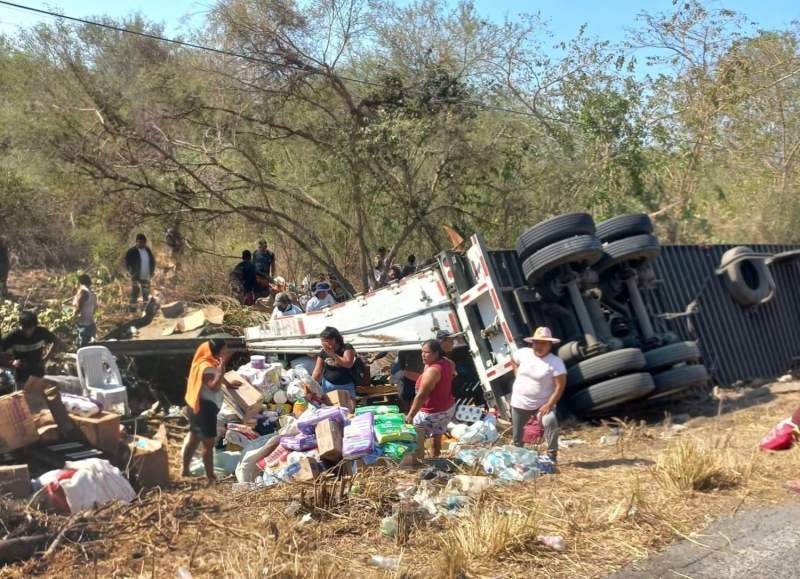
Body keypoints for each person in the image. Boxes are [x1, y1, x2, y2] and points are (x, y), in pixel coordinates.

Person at [181, 339, 240, 484]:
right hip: (205, 409)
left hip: (196, 406)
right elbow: (213, 386)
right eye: (224, 350)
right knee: (208, 444)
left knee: (194, 439)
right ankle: (211, 478)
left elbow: (216, 377)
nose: (226, 352)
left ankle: (185, 470)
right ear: (215, 351)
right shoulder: (206, 367)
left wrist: (227, 383)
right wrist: (221, 372)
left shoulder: (207, 362)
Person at [509, 327, 566, 462]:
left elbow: (560, 386)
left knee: (550, 420)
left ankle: (552, 454)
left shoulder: (555, 362)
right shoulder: (523, 353)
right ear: (532, 343)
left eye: (543, 343)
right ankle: (519, 460)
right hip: (519, 402)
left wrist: (549, 404)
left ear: (550, 345)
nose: (539, 346)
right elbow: (513, 359)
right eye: (537, 342)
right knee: (518, 436)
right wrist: (516, 372)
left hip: (542, 404)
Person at [405, 339, 456, 457]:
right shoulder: (448, 362)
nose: (423, 355)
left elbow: (422, 395)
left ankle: (416, 461)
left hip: (432, 413)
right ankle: (435, 459)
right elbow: (451, 376)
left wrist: (410, 415)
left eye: (427, 352)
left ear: (436, 353)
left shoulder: (433, 370)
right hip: (447, 409)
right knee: (437, 435)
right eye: (422, 352)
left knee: (413, 437)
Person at [1, 311, 61, 385]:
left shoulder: (41, 332)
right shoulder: (14, 336)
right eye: (24, 329)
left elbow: (57, 341)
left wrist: (46, 358)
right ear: (20, 326)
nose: (27, 332)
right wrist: (10, 363)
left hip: (38, 372)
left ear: (35, 326)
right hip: (20, 375)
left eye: (30, 329)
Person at [312, 327, 357, 398]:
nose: (322, 344)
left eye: (324, 341)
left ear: (333, 339)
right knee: (329, 405)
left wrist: (333, 354)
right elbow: (317, 370)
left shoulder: (346, 347)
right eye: (322, 341)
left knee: (348, 405)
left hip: (346, 385)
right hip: (328, 385)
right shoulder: (323, 352)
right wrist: (311, 383)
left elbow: (348, 364)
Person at [125, 233, 156, 312]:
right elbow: (127, 263)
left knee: (146, 292)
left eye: (144, 242)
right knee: (135, 291)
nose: (142, 244)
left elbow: (152, 261)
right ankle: (132, 309)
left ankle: (146, 309)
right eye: (140, 242)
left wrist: (152, 271)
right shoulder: (131, 251)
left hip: (146, 275)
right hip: (136, 276)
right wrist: (131, 272)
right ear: (136, 242)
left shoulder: (147, 250)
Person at [72, 274, 98, 349]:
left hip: (83, 326)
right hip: (91, 325)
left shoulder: (83, 292)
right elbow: (95, 309)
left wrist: (72, 318)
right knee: (89, 349)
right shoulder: (93, 295)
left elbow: (78, 308)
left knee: (81, 349)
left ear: (80, 282)